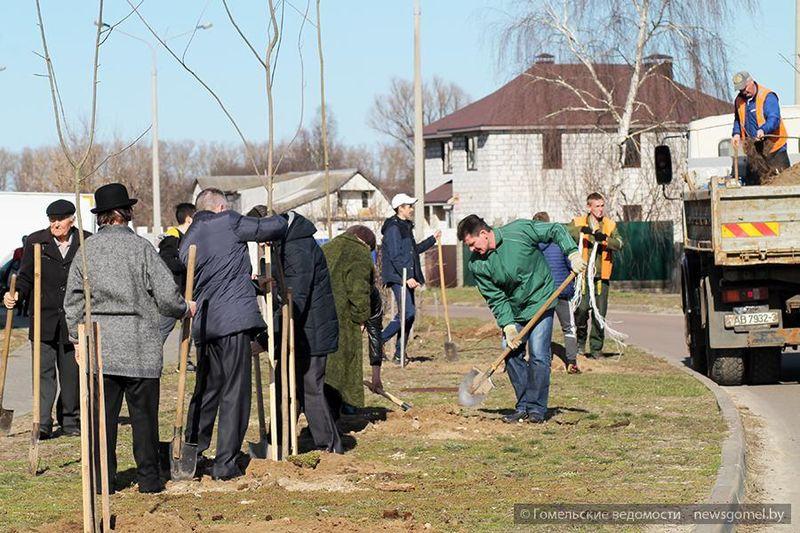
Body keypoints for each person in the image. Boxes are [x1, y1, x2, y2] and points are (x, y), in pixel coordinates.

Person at [64, 183, 193, 494]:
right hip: (140, 347)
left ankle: (101, 481)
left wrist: (76, 339)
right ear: (126, 213)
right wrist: (183, 308)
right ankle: (149, 480)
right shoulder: (141, 248)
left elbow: (73, 300)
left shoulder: (87, 250)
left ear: (102, 216)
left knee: (102, 422)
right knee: (144, 421)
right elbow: (165, 295)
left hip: (101, 347)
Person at [180, 189, 287, 480]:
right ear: (221, 206)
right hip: (233, 324)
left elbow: (215, 278)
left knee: (207, 390)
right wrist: (283, 216)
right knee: (235, 393)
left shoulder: (189, 237)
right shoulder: (227, 221)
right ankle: (225, 463)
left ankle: (193, 452)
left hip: (205, 325)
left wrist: (249, 284)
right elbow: (273, 227)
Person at [458, 215, 584, 424]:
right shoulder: (477, 265)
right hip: (515, 311)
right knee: (510, 351)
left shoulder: (519, 231)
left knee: (539, 355)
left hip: (541, 299)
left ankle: (536, 408)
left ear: (483, 233)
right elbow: (495, 297)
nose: (471, 250)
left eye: (471, 244)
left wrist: (572, 253)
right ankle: (524, 404)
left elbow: (555, 230)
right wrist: (508, 326)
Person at [3, 201, 89, 439]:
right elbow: (26, 276)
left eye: (60, 219)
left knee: (71, 374)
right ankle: (42, 422)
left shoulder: (85, 241)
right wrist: (15, 293)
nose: (55, 224)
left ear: (71, 219)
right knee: (43, 373)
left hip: (72, 319)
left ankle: (71, 419)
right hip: (44, 317)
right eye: (51, 219)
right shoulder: (36, 241)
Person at [267, 209, 342, 454]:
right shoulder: (287, 242)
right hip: (302, 330)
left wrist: (268, 336)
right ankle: (277, 442)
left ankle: (329, 447)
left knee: (311, 387)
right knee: (284, 384)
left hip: (312, 333)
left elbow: (294, 298)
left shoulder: (297, 248)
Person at [323, 225, 384, 420]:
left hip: (313, 325)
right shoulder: (360, 255)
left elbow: (375, 331)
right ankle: (330, 429)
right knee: (338, 376)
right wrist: (359, 317)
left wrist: (376, 378)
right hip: (341, 330)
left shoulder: (326, 249)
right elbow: (359, 294)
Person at [380, 193, 440, 363]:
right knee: (407, 312)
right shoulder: (393, 228)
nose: (412, 209)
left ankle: (399, 354)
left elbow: (414, 250)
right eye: (409, 206)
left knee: (409, 315)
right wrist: (406, 277)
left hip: (407, 276)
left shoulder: (405, 227)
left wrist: (432, 240)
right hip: (398, 277)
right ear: (400, 208)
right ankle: (379, 340)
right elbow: (395, 256)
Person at [568, 193, 623, 359]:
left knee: (600, 314)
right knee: (582, 310)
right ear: (589, 207)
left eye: (602, 206)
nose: (600, 209)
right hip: (583, 276)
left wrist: (605, 239)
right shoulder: (578, 222)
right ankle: (580, 342)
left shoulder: (610, 225)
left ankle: (596, 350)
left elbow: (620, 243)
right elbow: (566, 232)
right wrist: (582, 231)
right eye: (597, 206)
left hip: (601, 277)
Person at [532, 211, 580, 374]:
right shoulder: (560, 243)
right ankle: (572, 362)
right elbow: (570, 264)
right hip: (562, 291)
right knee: (569, 327)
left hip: (542, 293)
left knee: (542, 328)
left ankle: (542, 362)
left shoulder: (533, 247)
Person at [731, 71, 790, 185]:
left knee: (784, 183)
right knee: (754, 186)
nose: (744, 92)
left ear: (751, 81)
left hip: (775, 150)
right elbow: (738, 119)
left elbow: (774, 118)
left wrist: (763, 130)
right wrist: (736, 133)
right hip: (754, 152)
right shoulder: (739, 100)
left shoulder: (767, 96)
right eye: (740, 90)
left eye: (745, 88)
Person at [158, 202, 197, 371]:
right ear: (189, 219)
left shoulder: (192, 238)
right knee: (164, 328)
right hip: (173, 292)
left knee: (190, 329)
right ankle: (151, 360)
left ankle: (184, 360)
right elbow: (166, 261)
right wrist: (187, 264)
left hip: (189, 291)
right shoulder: (172, 237)